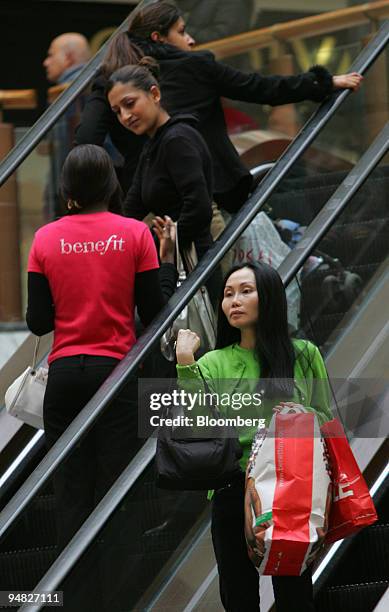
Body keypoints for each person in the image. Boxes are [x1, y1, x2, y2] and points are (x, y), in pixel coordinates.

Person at [26, 144, 177, 554]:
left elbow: (38, 322)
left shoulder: (44, 238)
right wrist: (167, 265)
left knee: (70, 493)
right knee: (117, 493)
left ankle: (70, 595)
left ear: (67, 188)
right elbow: (153, 312)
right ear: (112, 185)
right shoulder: (135, 233)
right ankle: (119, 591)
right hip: (116, 376)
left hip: (63, 379)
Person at [75, 1, 363, 211]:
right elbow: (261, 88)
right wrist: (322, 83)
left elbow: (87, 138)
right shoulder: (196, 66)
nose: (191, 39)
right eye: (181, 31)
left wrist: (117, 181)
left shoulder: (111, 79)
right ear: (159, 37)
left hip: (144, 200)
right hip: (210, 192)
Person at [175, 262, 333, 611]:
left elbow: (325, 418)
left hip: (292, 487)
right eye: (228, 294)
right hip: (234, 489)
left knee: (295, 596)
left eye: (246, 291)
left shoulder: (304, 355)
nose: (234, 300)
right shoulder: (213, 362)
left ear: (270, 296)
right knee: (239, 597)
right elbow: (198, 426)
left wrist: (298, 417)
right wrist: (185, 361)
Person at [106, 60, 221, 303]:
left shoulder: (177, 139)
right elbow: (132, 207)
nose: (125, 116)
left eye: (129, 104)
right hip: (174, 260)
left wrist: (163, 242)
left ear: (155, 94)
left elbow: (199, 208)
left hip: (193, 261)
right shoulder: (154, 144)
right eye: (117, 111)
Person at [43, 33, 91, 219]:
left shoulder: (69, 92)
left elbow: (67, 143)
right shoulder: (88, 84)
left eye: (51, 55)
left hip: (74, 189)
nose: (46, 62)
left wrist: (61, 191)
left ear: (69, 57)